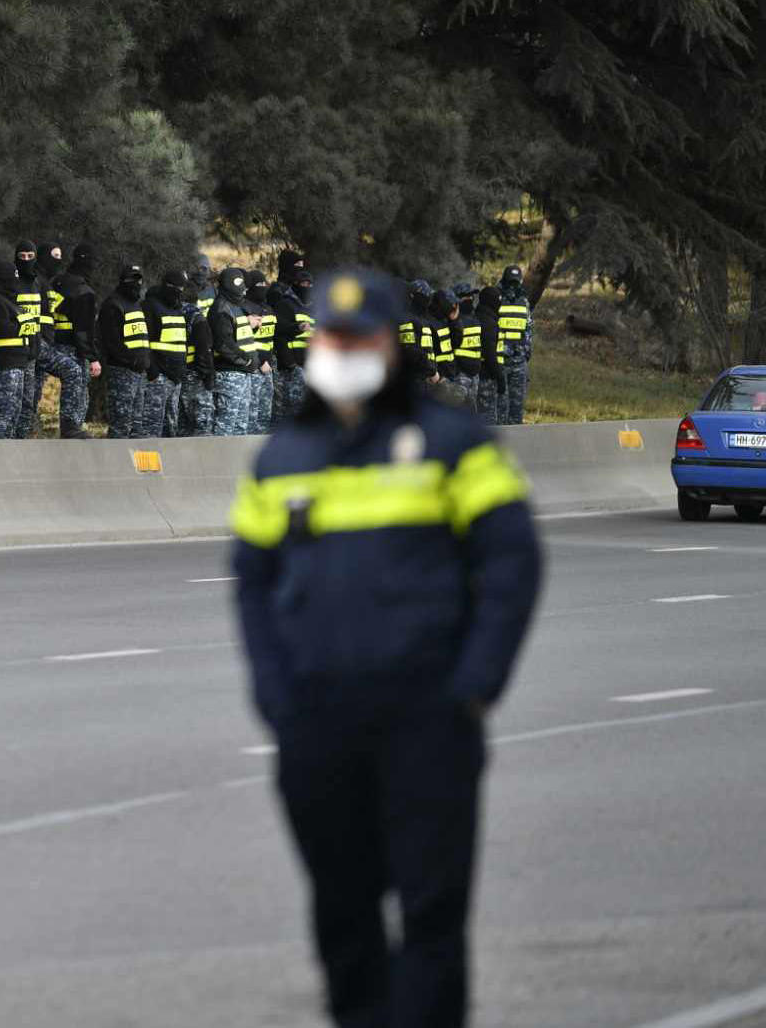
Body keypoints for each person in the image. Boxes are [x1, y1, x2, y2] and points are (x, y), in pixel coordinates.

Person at [231, 268, 541, 1028]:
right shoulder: (282, 458)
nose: (342, 352)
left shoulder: (454, 443)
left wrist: (475, 684)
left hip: (427, 718)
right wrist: (276, 698)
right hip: (318, 725)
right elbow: (251, 588)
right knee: (342, 912)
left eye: (359, 338)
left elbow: (511, 564)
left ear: (391, 344)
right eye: (330, 338)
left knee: (431, 910)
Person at [45, 243, 100, 438]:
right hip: (74, 349)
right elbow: (83, 330)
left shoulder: (55, 282)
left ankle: (70, 429)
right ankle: (72, 429)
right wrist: (93, 357)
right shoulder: (83, 291)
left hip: (51, 343)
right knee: (79, 389)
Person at [98, 263, 151, 438]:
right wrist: (132, 360)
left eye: (139, 279)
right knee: (121, 425)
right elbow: (111, 341)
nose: (136, 283)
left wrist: (145, 361)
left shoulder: (137, 303)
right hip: (121, 372)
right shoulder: (113, 304)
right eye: (131, 279)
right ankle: (113, 465)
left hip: (139, 373)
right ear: (123, 281)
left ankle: (135, 465)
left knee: (137, 426)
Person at [0, 258, 33, 439]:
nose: (16, 283)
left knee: (14, 414)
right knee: (1, 414)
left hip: (19, 363)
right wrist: (23, 325)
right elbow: (3, 328)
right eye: (12, 278)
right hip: (5, 365)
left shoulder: (10, 301)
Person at [209, 267, 258, 436]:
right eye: (237, 284)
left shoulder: (235, 306)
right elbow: (223, 344)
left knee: (240, 427)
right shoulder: (221, 308)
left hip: (243, 374)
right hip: (229, 375)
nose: (242, 289)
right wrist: (247, 360)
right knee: (225, 426)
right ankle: (217, 462)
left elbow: (240, 336)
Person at [142, 270, 189, 438]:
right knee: (151, 427)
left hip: (175, 378)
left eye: (181, 288)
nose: (178, 291)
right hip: (158, 377)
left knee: (171, 428)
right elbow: (144, 341)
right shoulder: (150, 306)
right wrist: (153, 371)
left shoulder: (177, 308)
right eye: (175, 287)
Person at [271, 252, 315, 422]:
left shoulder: (315, 307)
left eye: (310, 284)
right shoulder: (284, 304)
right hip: (294, 367)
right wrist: (290, 363)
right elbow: (279, 334)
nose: (307, 287)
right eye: (303, 284)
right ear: (296, 285)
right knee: (292, 411)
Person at [13, 241, 47, 434]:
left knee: (29, 399)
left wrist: (43, 340)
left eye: (29, 257)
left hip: (34, 347)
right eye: (22, 257)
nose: (25, 260)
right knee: (16, 399)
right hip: (16, 348)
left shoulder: (38, 283)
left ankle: (23, 439)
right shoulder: (12, 281)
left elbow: (44, 314)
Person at [495, 266, 532, 425]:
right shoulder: (495, 299)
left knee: (517, 408)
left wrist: (526, 351)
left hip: (519, 361)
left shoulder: (524, 301)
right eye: (510, 282)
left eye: (515, 283)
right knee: (500, 407)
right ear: (503, 281)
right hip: (500, 361)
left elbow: (528, 328)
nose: (513, 286)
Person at [182, 272, 217, 437]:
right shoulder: (197, 318)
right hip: (196, 376)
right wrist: (209, 377)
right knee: (202, 426)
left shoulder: (173, 313)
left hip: (179, 374)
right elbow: (204, 350)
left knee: (181, 427)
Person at [244, 269, 277, 434]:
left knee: (265, 413)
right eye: (259, 285)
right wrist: (260, 362)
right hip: (254, 366)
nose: (263, 287)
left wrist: (269, 362)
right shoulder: (244, 308)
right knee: (251, 411)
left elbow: (270, 339)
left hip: (268, 367)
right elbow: (246, 340)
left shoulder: (268, 308)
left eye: (265, 284)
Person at [476, 286, 506, 426]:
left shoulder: (478, 317)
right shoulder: (489, 323)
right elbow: (490, 353)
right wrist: (500, 377)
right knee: (488, 418)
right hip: (487, 375)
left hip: (480, 374)